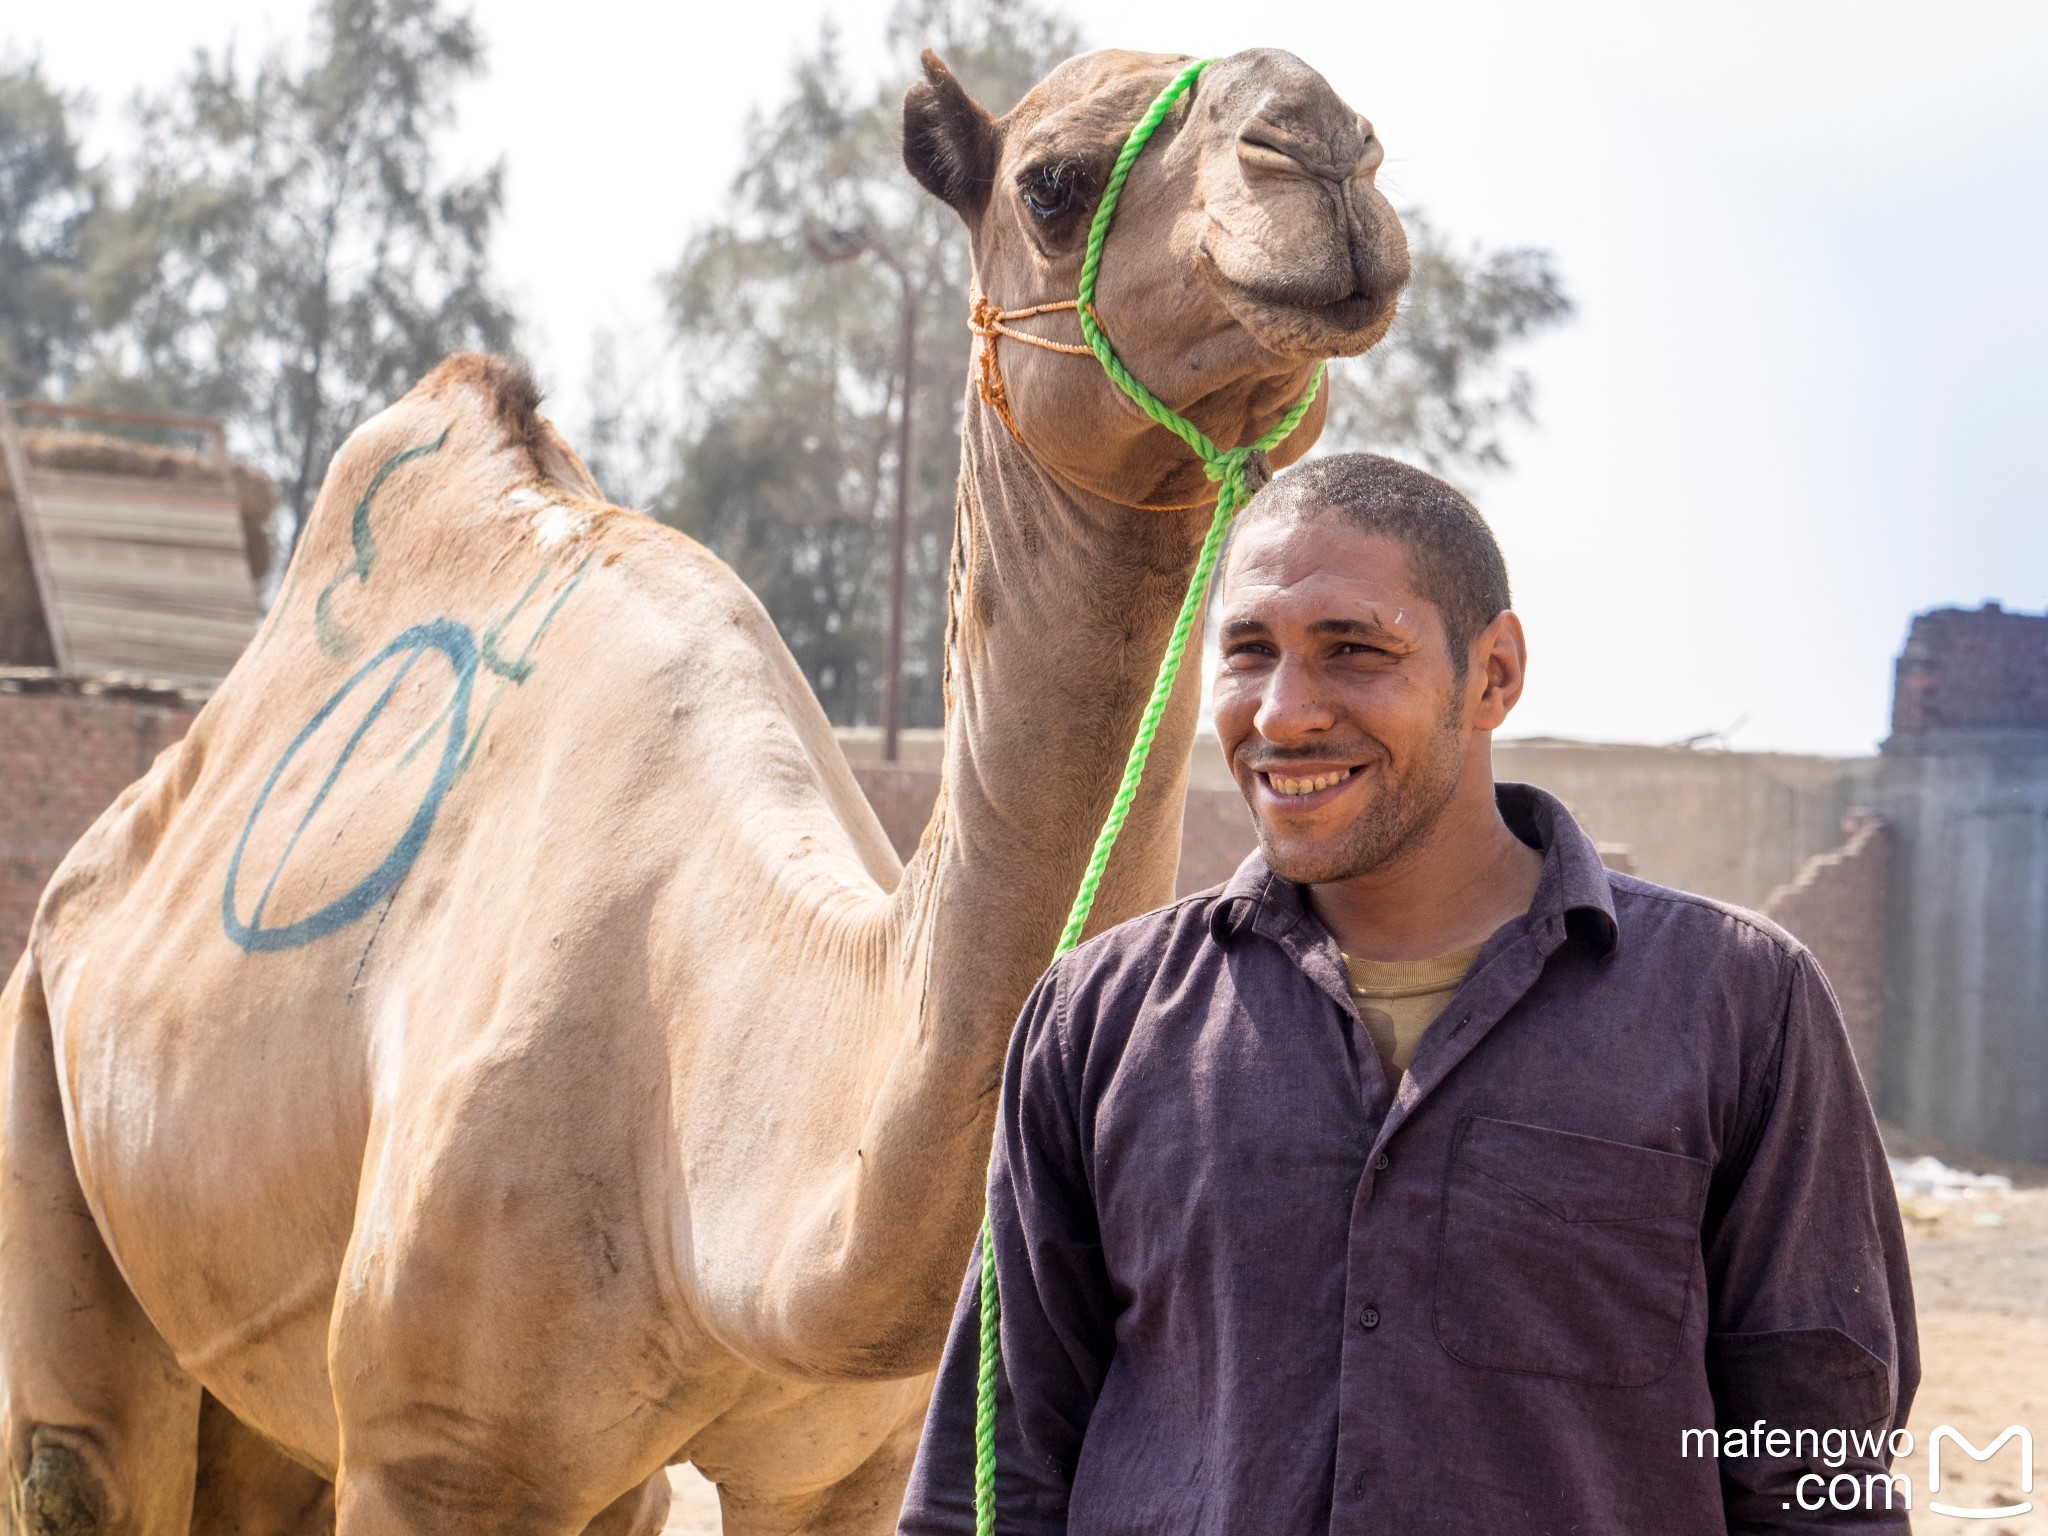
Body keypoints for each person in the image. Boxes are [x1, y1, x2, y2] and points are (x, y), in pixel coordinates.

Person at [895, 453, 1917, 1535]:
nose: (1282, 715)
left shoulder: (1738, 1007)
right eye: (1248, 653)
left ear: (1493, 675)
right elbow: (993, 1474)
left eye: (1352, 650)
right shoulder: (1096, 1022)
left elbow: (1817, 1476)